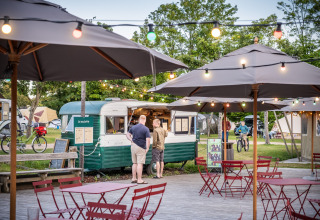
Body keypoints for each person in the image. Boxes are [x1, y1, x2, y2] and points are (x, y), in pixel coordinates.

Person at [126, 115, 150, 184]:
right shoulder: (146, 129)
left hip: (133, 146)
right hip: (141, 147)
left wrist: (131, 140)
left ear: (139, 120)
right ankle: (139, 180)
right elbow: (148, 140)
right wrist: (147, 148)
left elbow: (127, 134)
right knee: (140, 164)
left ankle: (134, 178)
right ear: (145, 120)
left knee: (134, 163)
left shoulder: (133, 127)